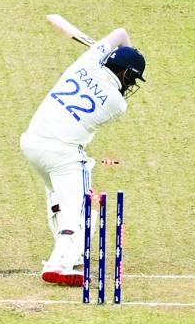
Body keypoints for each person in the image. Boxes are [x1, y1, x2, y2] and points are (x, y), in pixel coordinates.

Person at [20, 26, 146, 286]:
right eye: (131, 78)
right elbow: (118, 81)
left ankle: (69, 252)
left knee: (57, 198)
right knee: (81, 212)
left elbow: (121, 32)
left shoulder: (85, 62)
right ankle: (60, 265)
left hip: (32, 143)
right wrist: (130, 55)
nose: (130, 84)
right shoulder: (116, 104)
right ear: (124, 73)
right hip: (63, 156)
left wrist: (124, 51)